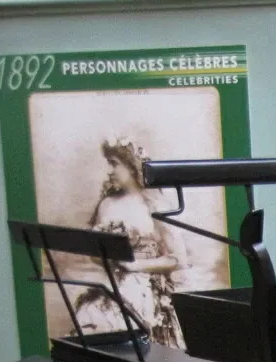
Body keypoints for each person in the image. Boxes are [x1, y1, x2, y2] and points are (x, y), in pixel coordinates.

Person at [70, 139, 189, 347]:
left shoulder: (155, 204)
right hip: (112, 282)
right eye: (109, 163)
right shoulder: (106, 205)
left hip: (146, 287)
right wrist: (112, 259)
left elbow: (177, 259)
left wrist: (135, 265)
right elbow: (94, 255)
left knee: (126, 317)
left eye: (114, 163)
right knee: (90, 316)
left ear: (131, 166)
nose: (109, 170)